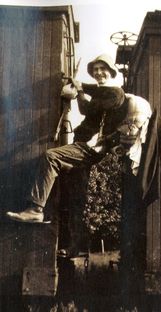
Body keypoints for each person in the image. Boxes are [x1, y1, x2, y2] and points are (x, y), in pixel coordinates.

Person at [6, 53, 152, 257]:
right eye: (95, 70)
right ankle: (75, 247)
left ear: (110, 71)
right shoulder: (100, 100)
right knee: (77, 197)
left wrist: (80, 85)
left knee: (51, 156)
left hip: (91, 148)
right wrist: (77, 94)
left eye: (103, 69)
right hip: (83, 146)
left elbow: (110, 97)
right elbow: (86, 110)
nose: (98, 73)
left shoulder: (115, 93)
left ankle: (35, 210)